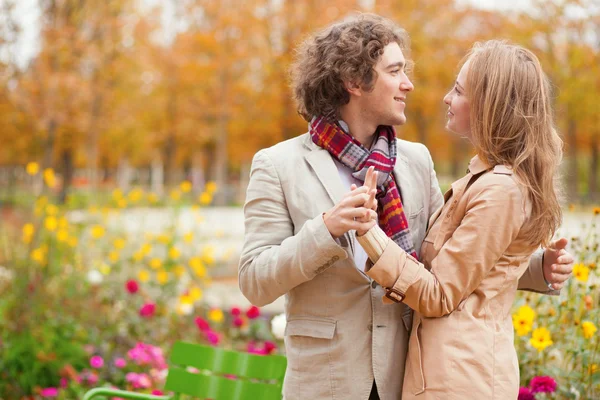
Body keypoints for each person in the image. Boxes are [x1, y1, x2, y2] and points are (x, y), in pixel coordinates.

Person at [238, 13, 573, 400]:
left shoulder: (416, 161)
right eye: (395, 71)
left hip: (409, 376)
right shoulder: (278, 165)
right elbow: (254, 281)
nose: (408, 84)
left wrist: (533, 269)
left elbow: (445, 261)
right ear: (354, 81)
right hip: (328, 382)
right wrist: (326, 230)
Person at [356, 40, 564, 399]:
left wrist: (369, 233)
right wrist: (533, 267)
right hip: (450, 370)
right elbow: (476, 265)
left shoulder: (500, 190)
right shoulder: (485, 178)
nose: (446, 99)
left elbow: (439, 294)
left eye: (458, 90)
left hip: (459, 379)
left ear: (490, 106)